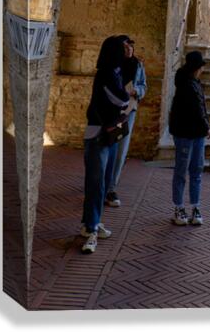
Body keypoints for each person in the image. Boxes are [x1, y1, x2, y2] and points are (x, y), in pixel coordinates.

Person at [80, 36, 131, 254]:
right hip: (98, 134)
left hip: (108, 135)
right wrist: (127, 98)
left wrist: (129, 60)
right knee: (96, 183)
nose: (127, 50)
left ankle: (91, 223)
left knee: (103, 181)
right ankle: (90, 228)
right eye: (123, 48)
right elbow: (121, 99)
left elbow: (125, 85)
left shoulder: (116, 71)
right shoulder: (105, 74)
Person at [168, 50, 210, 226]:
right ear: (197, 67)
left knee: (195, 171)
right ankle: (179, 207)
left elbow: (201, 108)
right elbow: (197, 110)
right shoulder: (188, 84)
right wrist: (207, 128)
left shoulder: (194, 82)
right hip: (186, 133)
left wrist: (205, 126)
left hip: (195, 133)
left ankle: (195, 206)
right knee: (183, 171)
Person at [105, 37, 147, 208]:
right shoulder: (113, 66)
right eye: (126, 46)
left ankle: (111, 188)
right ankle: (100, 181)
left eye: (131, 45)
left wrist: (137, 91)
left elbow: (144, 85)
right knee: (106, 146)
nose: (130, 48)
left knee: (121, 149)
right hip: (112, 111)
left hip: (127, 112)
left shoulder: (138, 65)